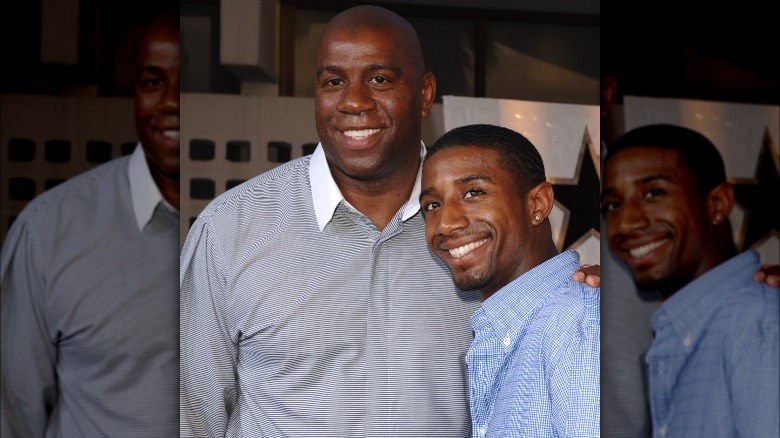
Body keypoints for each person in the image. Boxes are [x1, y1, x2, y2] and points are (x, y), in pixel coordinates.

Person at [179, 5, 598, 436]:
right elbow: (191, 413)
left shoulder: (475, 242)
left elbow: (549, 324)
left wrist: (594, 294)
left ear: (425, 93)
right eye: (333, 81)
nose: (355, 101)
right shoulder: (229, 229)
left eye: (380, 79)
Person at [0, 9, 180, 437]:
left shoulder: (261, 224)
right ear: (133, 93)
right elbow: (13, 413)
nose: (172, 102)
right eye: (153, 82)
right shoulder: (48, 231)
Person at [419, 123, 599, 437]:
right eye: (432, 205)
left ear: (538, 205)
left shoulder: (579, 321)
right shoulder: (511, 328)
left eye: (473, 192)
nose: (445, 223)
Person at [600, 123, 779, 438]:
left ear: (718, 204)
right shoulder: (686, 330)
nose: (626, 223)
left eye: (654, 193)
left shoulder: (759, 323)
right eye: (613, 205)